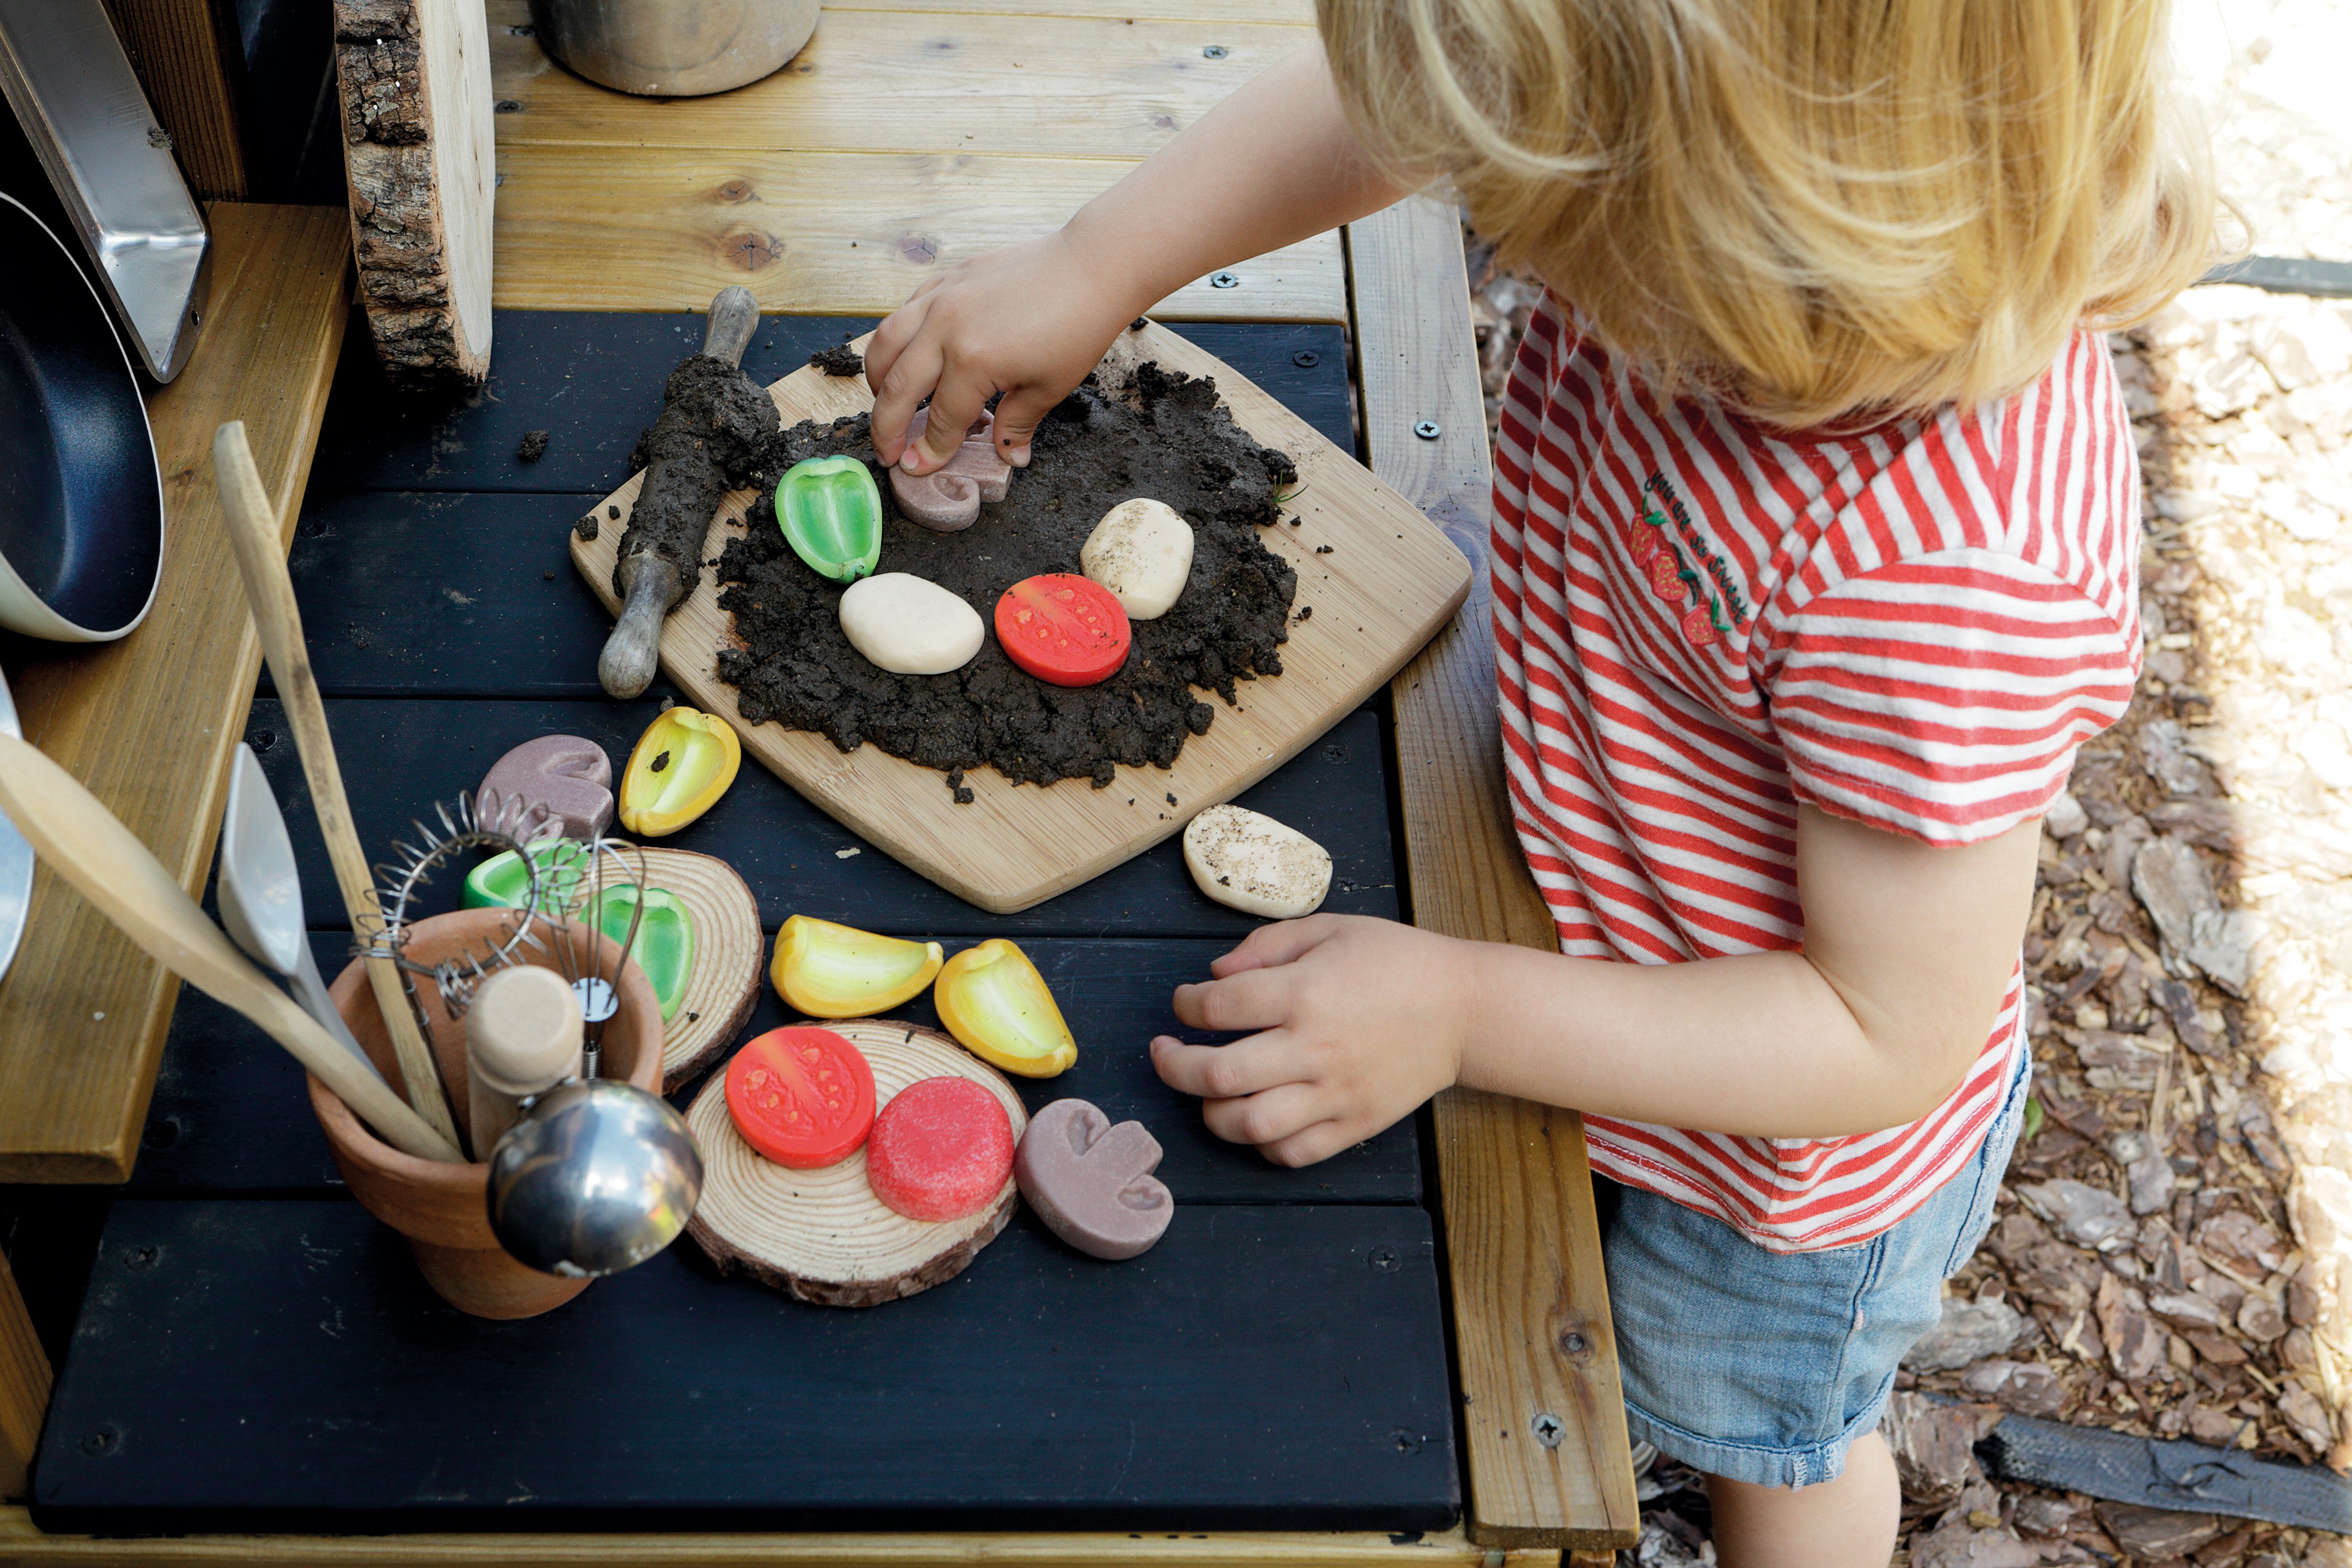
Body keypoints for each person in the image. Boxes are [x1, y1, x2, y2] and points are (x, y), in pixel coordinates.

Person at [862, 3, 2220, 1562]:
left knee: (1769, 1443)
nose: (1499, 219)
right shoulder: (1733, 226)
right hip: (1595, 916)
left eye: (1546, 199)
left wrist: (1463, 1013)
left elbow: (1879, 1032)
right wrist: (1098, 265)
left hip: (1767, 1171)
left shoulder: (1943, 581)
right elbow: (1405, 97)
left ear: (1741, 213)